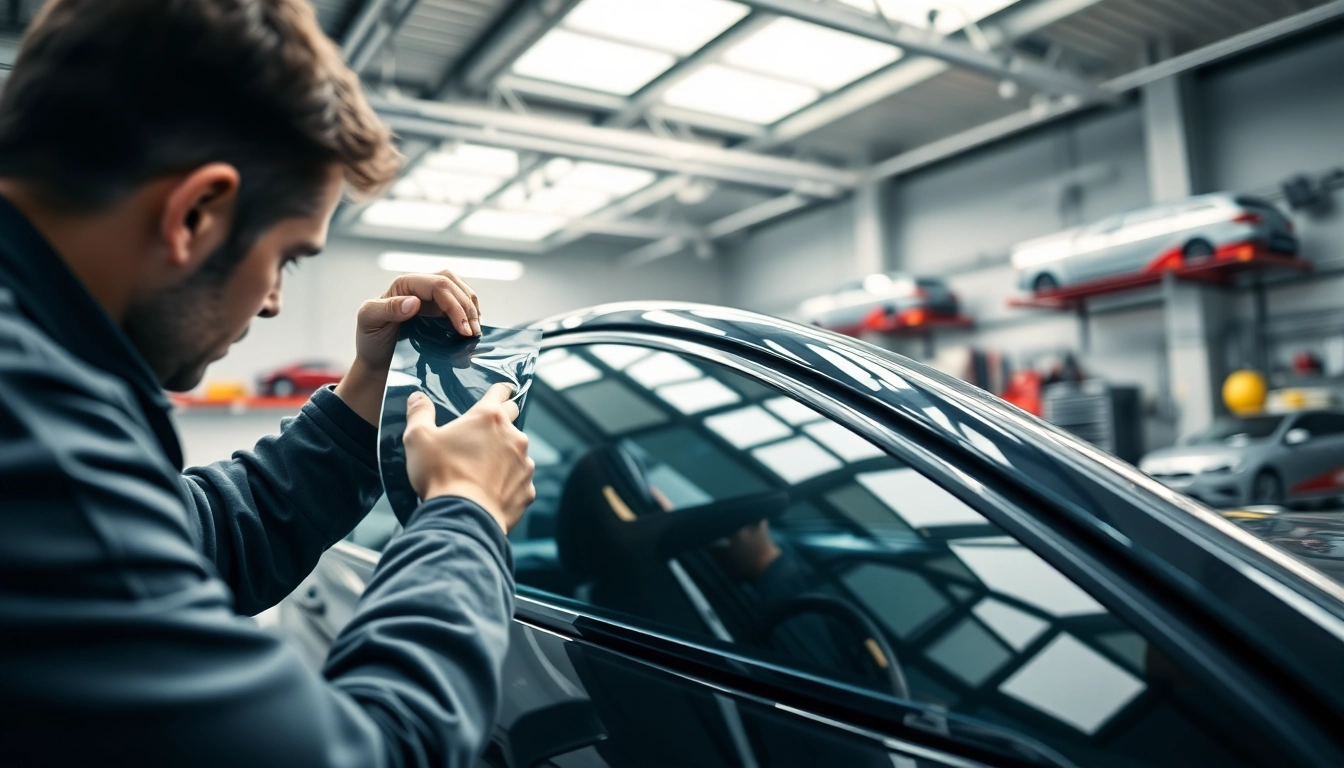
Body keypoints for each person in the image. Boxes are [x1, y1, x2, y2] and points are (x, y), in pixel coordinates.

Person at [0, 1, 535, 765]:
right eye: (288, 255)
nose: (276, 300)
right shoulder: (35, 444)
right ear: (196, 215)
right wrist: (466, 513)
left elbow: (195, 537)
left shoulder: (36, 381)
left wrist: (365, 392)